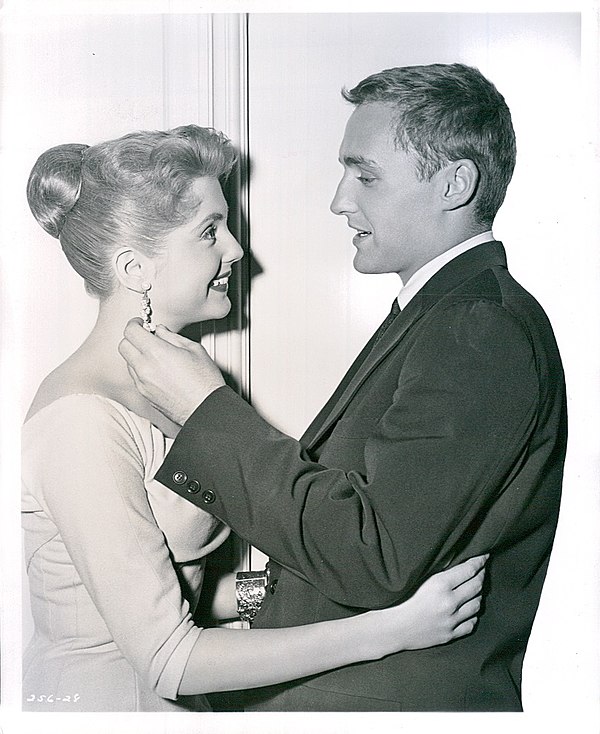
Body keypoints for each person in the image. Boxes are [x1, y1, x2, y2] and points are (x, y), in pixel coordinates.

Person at [120, 64, 568, 712]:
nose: (340, 200)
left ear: (455, 184)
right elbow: (355, 541)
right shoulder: (439, 314)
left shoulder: (476, 327)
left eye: (366, 175)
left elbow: (371, 554)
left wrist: (205, 410)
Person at [22, 124, 487, 713]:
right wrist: (390, 629)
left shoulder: (179, 387)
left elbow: (172, 590)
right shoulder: (81, 421)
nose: (236, 250)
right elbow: (169, 656)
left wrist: (283, 597)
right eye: (209, 232)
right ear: (134, 268)